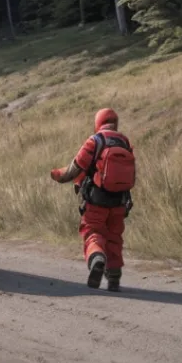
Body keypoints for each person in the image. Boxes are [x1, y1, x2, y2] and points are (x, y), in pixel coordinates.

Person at [50, 108, 136, 291]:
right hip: (120, 201)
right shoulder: (125, 142)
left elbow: (74, 169)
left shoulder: (95, 141)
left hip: (96, 200)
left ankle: (97, 258)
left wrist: (57, 174)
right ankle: (114, 277)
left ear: (98, 123)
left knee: (92, 232)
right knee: (114, 237)